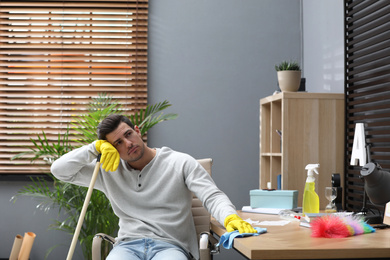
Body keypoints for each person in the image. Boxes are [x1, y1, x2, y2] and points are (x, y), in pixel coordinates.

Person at [51, 114, 256, 260]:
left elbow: (212, 196)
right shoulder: (107, 170)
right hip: (127, 247)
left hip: (171, 247)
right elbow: (59, 170)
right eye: (117, 143)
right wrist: (93, 148)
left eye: (129, 134)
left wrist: (230, 217)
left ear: (138, 131)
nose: (128, 144)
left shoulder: (180, 162)